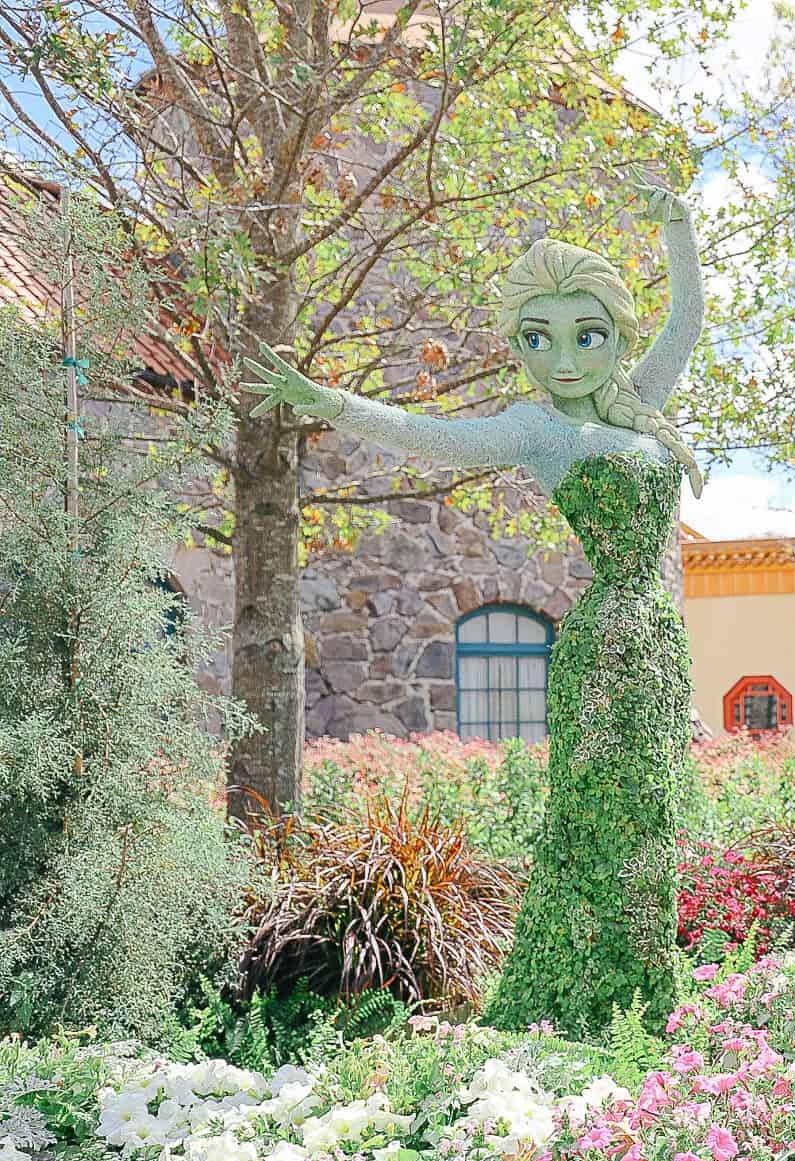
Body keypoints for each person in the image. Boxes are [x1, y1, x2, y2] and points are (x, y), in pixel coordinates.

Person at [242, 172, 704, 1033]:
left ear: (614, 337)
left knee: (649, 821)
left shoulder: (639, 406)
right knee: (597, 816)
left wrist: (678, 229)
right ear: (522, 347)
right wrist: (334, 404)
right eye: (540, 339)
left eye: (587, 336)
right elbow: (436, 438)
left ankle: (643, 996)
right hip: (605, 643)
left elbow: (687, 321)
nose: (564, 359)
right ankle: (587, 1001)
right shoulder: (538, 429)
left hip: (655, 645)